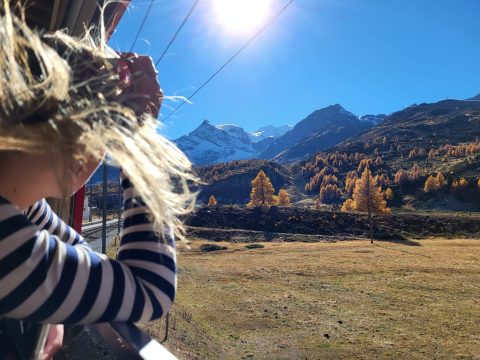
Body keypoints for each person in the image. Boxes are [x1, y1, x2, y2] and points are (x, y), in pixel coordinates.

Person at [0, 3, 197, 358]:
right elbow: (151, 288)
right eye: (105, 141)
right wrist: (140, 139)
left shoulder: (22, 207)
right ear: (78, 142)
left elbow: (81, 257)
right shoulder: (6, 243)